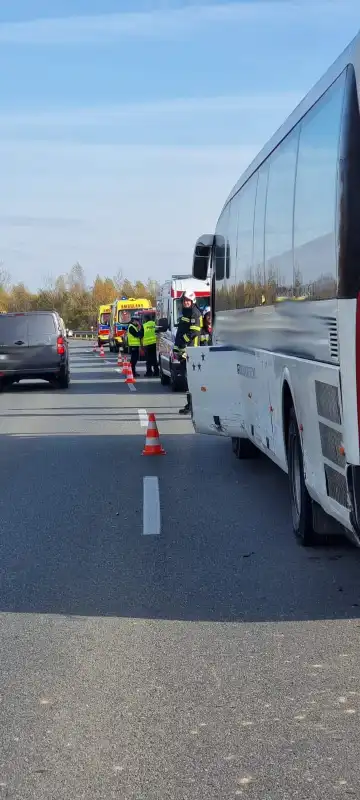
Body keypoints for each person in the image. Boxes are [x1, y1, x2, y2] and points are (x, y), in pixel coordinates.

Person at [173, 290, 202, 415]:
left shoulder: (195, 313)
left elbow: (194, 332)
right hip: (184, 351)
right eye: (184, 301)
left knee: (191, 380)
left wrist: (183, 341)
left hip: (192, 351)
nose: (186, 303)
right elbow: (180, 331)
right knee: (187, 380)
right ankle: (190, 404)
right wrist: (176, 347)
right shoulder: (186, 312)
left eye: (188, 301)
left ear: (193, 301)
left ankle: (193, 405)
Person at [142, 311, 159, 377]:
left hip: (148, 344)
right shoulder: (155, 324)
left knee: (148, 359)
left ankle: (149, 372)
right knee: (155, 358)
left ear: (145, 319)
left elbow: (141, 334)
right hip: (155, 344)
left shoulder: (144, 325)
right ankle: (156, 372)